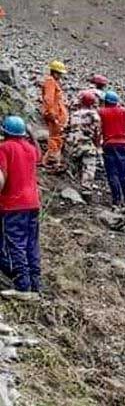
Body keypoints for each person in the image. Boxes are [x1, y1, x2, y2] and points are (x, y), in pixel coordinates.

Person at [0, 116, 42, 293]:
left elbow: (1, 178)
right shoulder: (31, 149)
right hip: (32, 204)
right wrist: (32, 135)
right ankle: (36, 284)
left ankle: (22, 286)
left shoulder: (4, 148)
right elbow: (39, 155)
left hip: (12, 205)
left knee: (14, 244)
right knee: (31, 244)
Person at [98, 91, 125, 206]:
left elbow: (99, 129)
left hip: (109, 145)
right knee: (124, 174)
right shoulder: (124, 112)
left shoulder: (101, 112)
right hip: (122, 145)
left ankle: (116, 201)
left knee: (112, 174)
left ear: (105, 101)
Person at [65, 91, 101, 201]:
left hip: (73, 145)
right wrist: (97, 146)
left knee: (76, 166)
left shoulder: (74, 114)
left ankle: (72, 187)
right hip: (87, 145)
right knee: (89, 167)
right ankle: (86, 191)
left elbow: (67, 128)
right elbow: (97, 133)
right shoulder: (94, 115)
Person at [40, 60, 69, 171]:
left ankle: (51, 160)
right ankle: (52, 161)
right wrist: (52, 115)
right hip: (55, 116)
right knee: (55, 138)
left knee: (57, 137)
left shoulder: (53, 82)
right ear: (55, 72)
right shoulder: (50, 82)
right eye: (60, 73)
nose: (61, 76)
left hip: (58, 115)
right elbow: (49, 100)